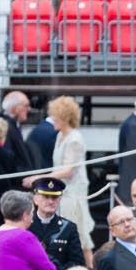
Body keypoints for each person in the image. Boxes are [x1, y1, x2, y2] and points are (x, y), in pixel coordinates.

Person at [45, 96, 94, 255]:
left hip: (73, 192)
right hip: (61, 191)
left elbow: (68, 170)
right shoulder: (60, 136)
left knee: (79, 234)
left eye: (56, 115)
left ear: (64, 117)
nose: (53, 119)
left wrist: (42, 179)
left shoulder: (74, 139)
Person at [28, 174, 87, 270]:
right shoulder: (26, 226)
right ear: (35, 199)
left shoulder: (69, 228)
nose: (50, 201)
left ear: (59, 200)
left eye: (54, 197)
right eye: (46, 197)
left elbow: (77, 262)